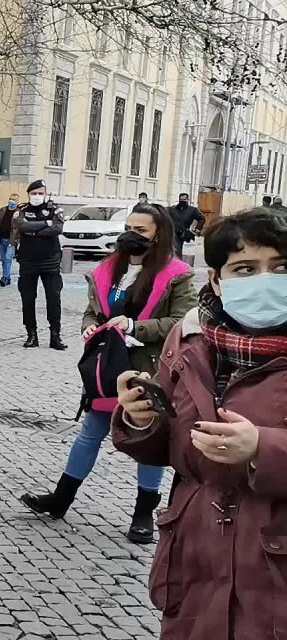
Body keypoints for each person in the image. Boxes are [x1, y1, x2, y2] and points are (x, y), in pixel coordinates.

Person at [111, 208, 287, 639]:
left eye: (281, 268)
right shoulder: (189, 339)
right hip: (195, 557)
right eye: (245, 269)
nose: (264, 280)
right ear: (216, 279)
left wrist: (261, 449)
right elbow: (169, 443)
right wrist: (139, 419)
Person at [20, 204, 194, 542]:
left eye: (141, 230)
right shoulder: (109, 269)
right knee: (91, 431)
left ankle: (144, 513)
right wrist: (89, 328)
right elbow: (92, 312)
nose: (132, 234)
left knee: (150, 440)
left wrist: (134, 326)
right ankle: (61, 499)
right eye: (129, 227)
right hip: (107, 368)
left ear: (159, 235)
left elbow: (182, 321)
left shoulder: (176, 274)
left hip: (149, 369)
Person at [12, 180, 67, 350]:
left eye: (40, 193)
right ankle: (31, 335)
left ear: (46, 193)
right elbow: (21, 225)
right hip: (28, 261)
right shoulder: (22, 210)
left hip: (50, 260)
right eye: (34, 193)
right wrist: (45, 224)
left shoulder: (53, 209)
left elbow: (57, 229)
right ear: (29, 194)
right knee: (28, 299)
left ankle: (55, 336)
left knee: (54, 298)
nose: (37, 196)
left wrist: (33, 231)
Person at [167, 193, 203, 258]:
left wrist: (197, 229)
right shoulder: (172, 209)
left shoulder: (192, 210)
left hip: (185, 234)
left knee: (184, 253)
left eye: (184, 199)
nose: (182, 201)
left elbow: (201, 219)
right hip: (173, 234)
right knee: (175, 251)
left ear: (188, 200)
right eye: (181, 200)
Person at [0, 194, 19, 287]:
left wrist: (17, 239)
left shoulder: (18, 212)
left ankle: (4, 277)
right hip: (2, 238)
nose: (12, 201)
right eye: (10, 199)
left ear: (17, 202)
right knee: (4, 259)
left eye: (14, 200)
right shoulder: (2, 210)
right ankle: (7, 278)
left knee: (8, 258)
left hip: (11, 240)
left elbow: (20, 227)